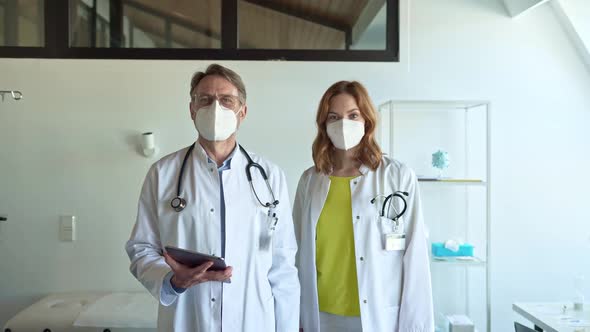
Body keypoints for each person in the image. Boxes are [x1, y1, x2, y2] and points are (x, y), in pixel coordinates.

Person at [126, 64, 300, 331]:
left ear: (242, 112)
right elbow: (141, 248)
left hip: (252, 319)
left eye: (226, 100)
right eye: (205, 100)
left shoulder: (270, 177)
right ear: (192, 110)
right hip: (187, 319)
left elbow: (283, 264)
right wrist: (172, 279)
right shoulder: (162, 173)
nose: (215, 108)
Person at [293, 81, 434, 332]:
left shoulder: (397, 176)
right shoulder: (310, 180)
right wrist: (294, 315)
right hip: (320, 313)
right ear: (324, 124)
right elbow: (296, 250)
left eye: (353, 115)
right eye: (334, 116)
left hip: (378, 315)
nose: (343, 124)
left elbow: (416, 256)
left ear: (367, 120)